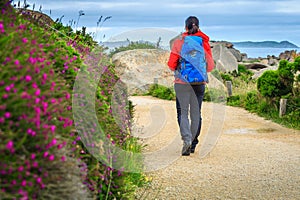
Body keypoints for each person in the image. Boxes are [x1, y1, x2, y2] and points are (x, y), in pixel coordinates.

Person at [167, 16, 214, 156]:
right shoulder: (204, 42)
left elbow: (171, 64)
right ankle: (193, 144)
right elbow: (210, 66)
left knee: (182, 112)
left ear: (185, 27)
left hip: (182, 83)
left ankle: (186, 140)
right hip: (199, 83)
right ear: (198, 26)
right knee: (196, 113)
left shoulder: (179, 42)